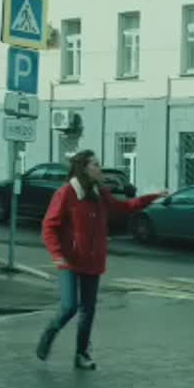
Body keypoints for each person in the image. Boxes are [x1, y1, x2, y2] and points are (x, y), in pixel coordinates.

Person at [35, 150, 167, 370]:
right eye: (95, 164)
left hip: (93, 260)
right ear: (84, 168)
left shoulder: (99, 193)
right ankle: (49, 334)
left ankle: (81, 354)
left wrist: (153, 197)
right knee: (69, 307)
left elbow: (124, 207)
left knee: (88, 310)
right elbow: (49, 226)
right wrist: (58, 255)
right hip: (69, 260)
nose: (100, 168)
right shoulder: (66, 193)